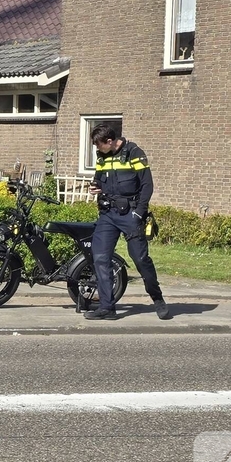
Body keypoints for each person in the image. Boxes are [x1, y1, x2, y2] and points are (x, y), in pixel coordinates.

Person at [84, 123, 168, 320]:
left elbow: (147, 186)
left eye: (99, 145)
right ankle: (107, 307)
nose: (97, 149)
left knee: (140, 259)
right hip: (108, 214)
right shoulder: (102, 157)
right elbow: (99, 178)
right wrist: (95, 187)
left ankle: (158, 299)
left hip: (130, 214)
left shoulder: (134, 153)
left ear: (110, 141)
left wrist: (139, 214)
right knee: (100, 258)